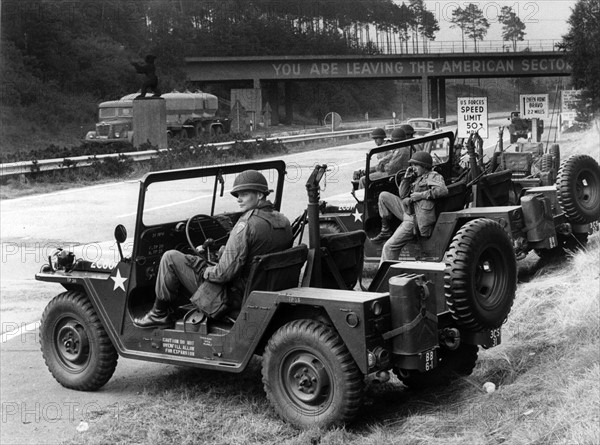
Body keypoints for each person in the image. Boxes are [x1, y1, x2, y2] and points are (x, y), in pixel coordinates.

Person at [134, 170, 293, 328]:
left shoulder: (246, 225)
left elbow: (223, 274)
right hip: (264, 291)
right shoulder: (283, 220)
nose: (239, 199)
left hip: (232, 298)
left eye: (244, 194)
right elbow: (255, 252)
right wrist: (222, 252)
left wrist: (202, 268)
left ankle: (159, 313)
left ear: (260, 195)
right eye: (237, 195)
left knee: (170, 257)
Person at [377, 151, 448, 261]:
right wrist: (406, 177)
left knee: (389, 247)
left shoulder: (433, 176)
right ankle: (385, 228)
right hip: (408, 210)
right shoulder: (417, 177)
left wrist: (421, 195)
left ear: (425, 166)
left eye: (416, 165)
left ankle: (386, 276)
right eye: (412, 165)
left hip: (414, 219)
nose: (413, 168)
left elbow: (442, 190)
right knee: (383, 195)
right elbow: (402, 194)